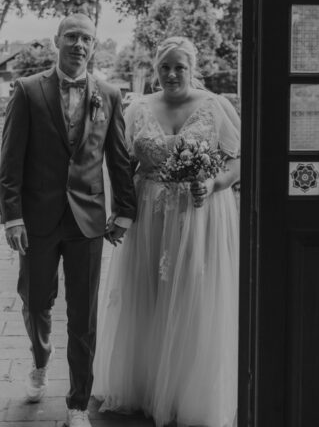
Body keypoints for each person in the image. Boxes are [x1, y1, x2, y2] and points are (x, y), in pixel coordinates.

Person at [93, 36, 241, 427]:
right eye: (165, 67)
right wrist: (119, 212)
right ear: (156, 69)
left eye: (179, 67)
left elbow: (238, 160)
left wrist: (214, 183)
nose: (172, 74)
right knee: (149, 294)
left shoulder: (215, 106)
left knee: (194, 295)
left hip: (200, 216)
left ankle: (189, 391)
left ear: (193, 69)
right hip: (150, 216)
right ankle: (147, 385)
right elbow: (120, 166)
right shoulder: (137, 108)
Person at [0, 13, 137, 427]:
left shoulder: (109, 94)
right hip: (37, 220)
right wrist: (12, 217)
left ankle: (77, 404)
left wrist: (125, 211)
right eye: (72, 36)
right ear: (56, 40)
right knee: (35, 301)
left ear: (93, 46)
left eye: (86, 39)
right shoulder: (27, 90)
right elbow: (10, 160)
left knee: (83, 316)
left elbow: (119, 158)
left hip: (87, 221)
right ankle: (40, 359)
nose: (79, 44)